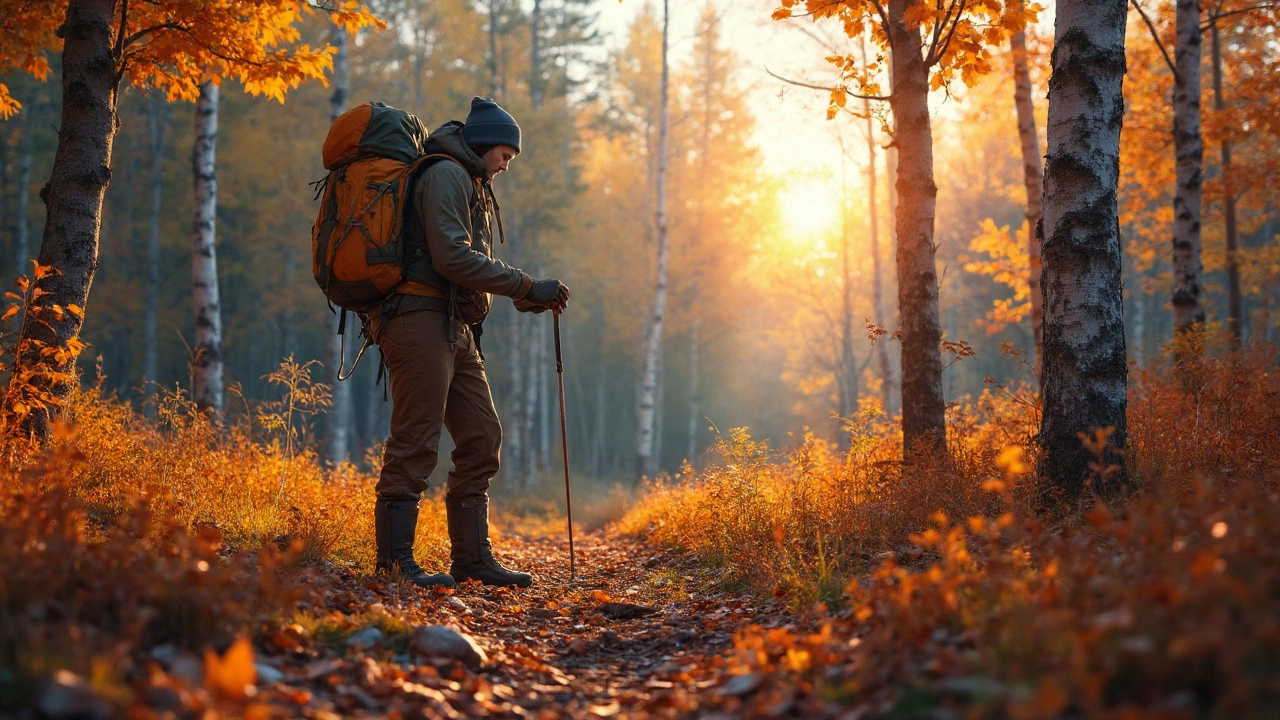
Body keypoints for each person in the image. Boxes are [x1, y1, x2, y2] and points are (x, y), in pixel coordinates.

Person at [372, 96, 569, 589]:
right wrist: (524, 284)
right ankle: (395, 566)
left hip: (453, 325)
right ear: (483, 145)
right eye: (505, 155)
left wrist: (528, 298)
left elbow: (462, 268)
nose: (506, 166)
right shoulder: (445, 174)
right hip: (417, 320)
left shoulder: (471, 182)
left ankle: (472, 561)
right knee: (415, 441)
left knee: (482, 438)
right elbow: (451, 258)